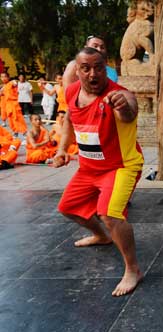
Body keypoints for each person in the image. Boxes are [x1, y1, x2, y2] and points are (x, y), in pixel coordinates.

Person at [53, 47, 144, 297]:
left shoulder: (119, 94)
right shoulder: (72, 91)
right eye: (86, 68)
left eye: (99, 67)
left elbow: (130, 112)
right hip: (88, 168)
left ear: (107, 68)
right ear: (78, 71)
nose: (93, 74)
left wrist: (123, 105)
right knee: (67, 207)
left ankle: (133, 269)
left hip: (120, 167)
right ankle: (102, 237)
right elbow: (71, 119)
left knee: (109, 213)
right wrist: (62, 149)